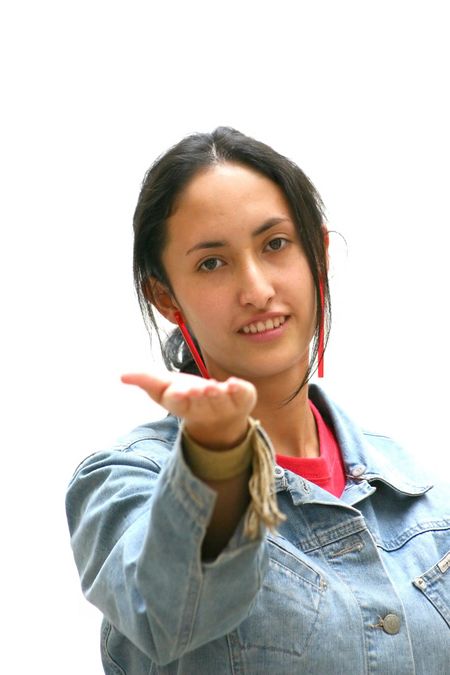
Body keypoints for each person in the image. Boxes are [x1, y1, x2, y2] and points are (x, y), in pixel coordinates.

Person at [66, 127, 450, 674]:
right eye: (212, 263)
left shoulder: (424, 494)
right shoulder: (126, 480)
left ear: (317, 254)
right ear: (166, 298)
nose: (256, 289)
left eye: (275, 245)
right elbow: (169, 613)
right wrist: (216, 460)